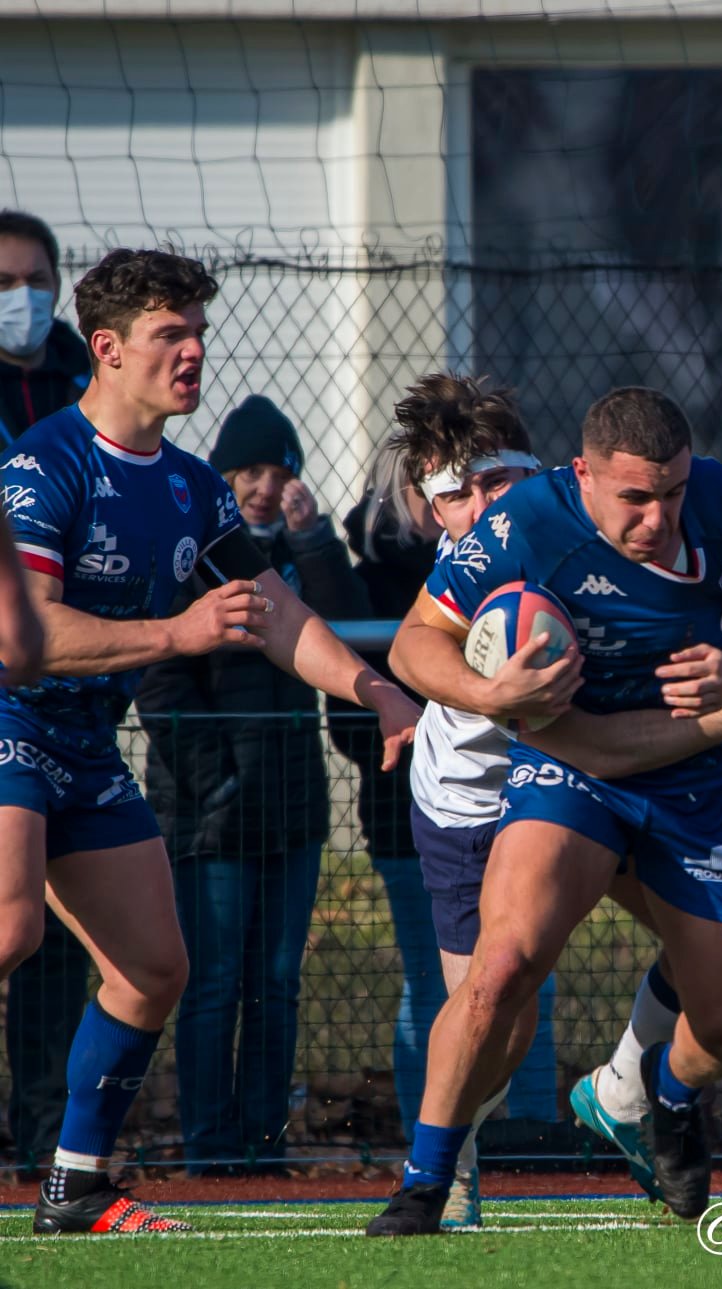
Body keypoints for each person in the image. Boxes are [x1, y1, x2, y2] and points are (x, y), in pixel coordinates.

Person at [4, 248, 421, 1236]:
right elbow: (30, 637)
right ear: (105, 349)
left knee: (154, 969)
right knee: (11, 930)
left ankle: (75, 1185)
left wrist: (376, 689)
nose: (193, 353)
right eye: (169, 335)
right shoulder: (42, 465)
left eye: (198, 333)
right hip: (12, 719)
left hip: (84, 740)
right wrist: (176, 633)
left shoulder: (193, 487)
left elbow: (273, 610)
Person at [364, 386, 722, 1235]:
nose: (659, 516)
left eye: (672, 492)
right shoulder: (530, 522)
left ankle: (665, 1099)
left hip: (705, 781)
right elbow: (412, 642)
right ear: (584, 475)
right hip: (574, 762)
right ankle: (425, 1180)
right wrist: (489, 690)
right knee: (501, 966)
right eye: (635, 498)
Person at [136, 395, 368, 1175]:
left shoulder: (299, 558)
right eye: (250, 472)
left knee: (276, 981)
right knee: (214, 983)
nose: (266, 487)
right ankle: (210, 1146)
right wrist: (218, 785)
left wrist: (315, 541)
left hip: (292, 807)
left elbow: (347, 637)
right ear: (225, 475)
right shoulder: (191, 551)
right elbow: (161, 683)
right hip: (214, 815)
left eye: (280, 472)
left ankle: (265, 1141)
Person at [357, 375, 565, 1226]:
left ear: (536, 473)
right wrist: (490, 693)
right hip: (466, 808)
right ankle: (450, 1167)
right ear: (429, 506)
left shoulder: (576, 534)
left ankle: (639, 1090)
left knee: (516, 1014)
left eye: (495, 481)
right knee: (488, 1016)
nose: (478, 504)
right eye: (455, 490)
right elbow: (411, 650)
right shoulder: (454, 574)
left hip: (567, 791)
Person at [333, 446, 451, 1149]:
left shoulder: (494, 565)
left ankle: (531, 1134)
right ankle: (429, 1137)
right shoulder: (368, 584)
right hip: (403, 818)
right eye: (424, 487)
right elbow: (349, 723)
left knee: (530, 976)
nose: (440, 501)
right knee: (432, 981)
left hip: (501, 810)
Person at [0, 208, 84, 1174]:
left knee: (128, 955)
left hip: (71, 707)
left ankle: (52, 1145)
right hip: (18, 691)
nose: (23, 297)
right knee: (15, 921)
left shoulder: (80, 395)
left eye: (36, 278)